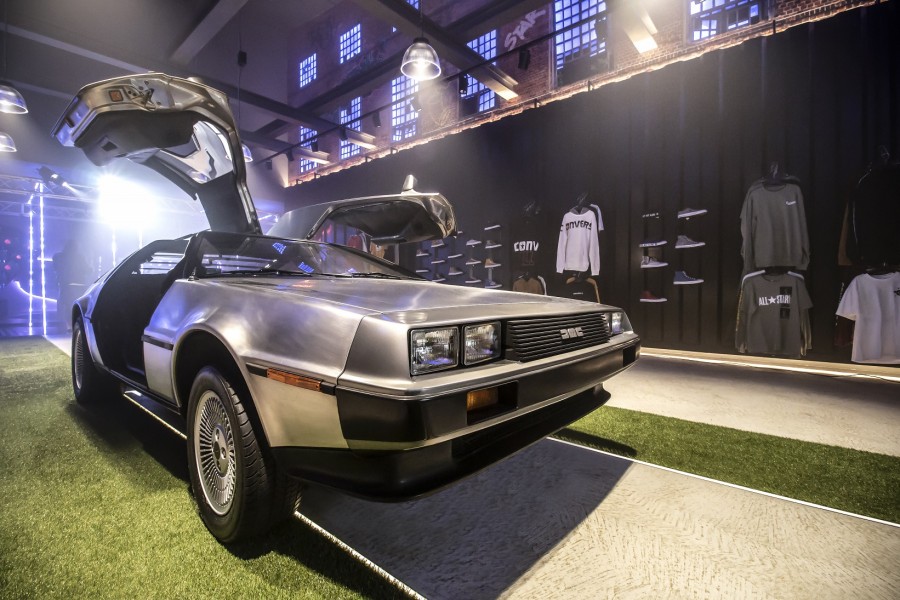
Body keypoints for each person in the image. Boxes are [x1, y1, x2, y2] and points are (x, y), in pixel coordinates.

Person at [53, 239, 92, 330]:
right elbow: (88, 270)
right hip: (76, 285)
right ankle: (73, 325)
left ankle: (68, 325)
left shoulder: (59, 257)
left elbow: (56, 267)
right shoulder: (79, 257)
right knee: (74, 304)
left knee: (67, 304)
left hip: (66, 284)